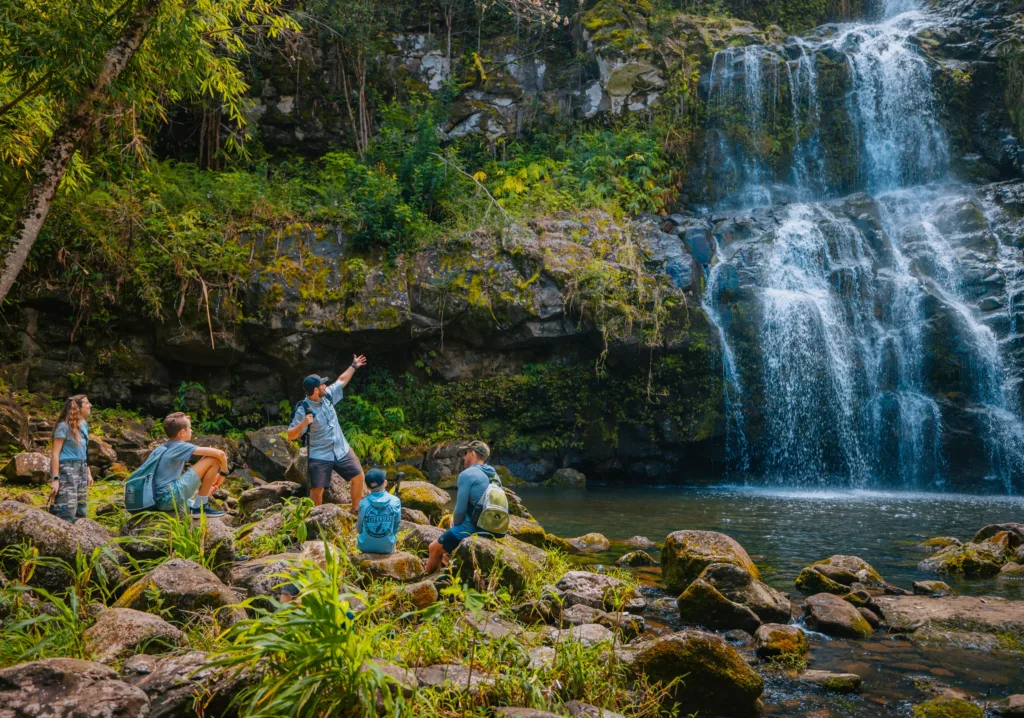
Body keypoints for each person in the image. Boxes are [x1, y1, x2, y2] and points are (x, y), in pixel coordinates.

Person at [286, 355, 367, 512]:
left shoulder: (327, 396)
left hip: (341, 448)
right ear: (316, 390)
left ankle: (355, 510)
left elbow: (341, 381)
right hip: (320, 454)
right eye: (322, 384)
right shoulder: (303, 409)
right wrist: (303, 424)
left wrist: (354, 366)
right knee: (317, 490)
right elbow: (290, 435)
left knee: (359, 477)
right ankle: (316, 518)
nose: (325, 385)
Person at [424, 440, 499, 573]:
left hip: (473, 528)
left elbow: (460, 511)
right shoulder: (494, 475)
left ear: (473, 453)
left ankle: (426, 581)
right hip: (493, 528)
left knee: (433, 548)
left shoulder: (467, 475)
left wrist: (455, 522)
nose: (463, 458)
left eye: (466, 453)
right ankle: (447, 564)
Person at [150, 412, 230, 517]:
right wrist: (223, 474)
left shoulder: (165, 446)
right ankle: (200, 507)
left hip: (158, 500)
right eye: (190, 428)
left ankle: (200, 503)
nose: (192, 430)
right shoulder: (179, 446)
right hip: (167, 498)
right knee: (212, 459)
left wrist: (205, 491)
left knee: (193, 504)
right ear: (182, 432)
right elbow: (220, 454)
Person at [48, 394, 93, 522]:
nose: (90, 405)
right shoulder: (63, 427)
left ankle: (79, 537)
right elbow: (55, 454)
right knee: (67, 508)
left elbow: (84, 451)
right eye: (87, 403)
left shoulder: (83, 425)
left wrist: (88, 473)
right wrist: (55, 479)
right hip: (67, 469)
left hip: (81, 468)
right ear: (78, 407)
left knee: (81, 507)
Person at [356, 468, 402, 555]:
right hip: (387, 548)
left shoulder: (363, 503)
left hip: (365, 546)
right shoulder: (395, 501)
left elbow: (359, 528)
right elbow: (396, 525)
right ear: (385, 483)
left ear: (367, 487)